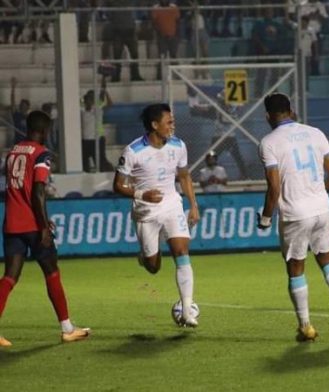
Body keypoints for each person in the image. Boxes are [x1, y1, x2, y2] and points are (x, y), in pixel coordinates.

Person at [257, 93, 329, 342]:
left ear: (268, 116)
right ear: (291, 110)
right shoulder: (316, 133)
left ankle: (306, 326)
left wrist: (266, 218)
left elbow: (274, 188)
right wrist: (318, 193)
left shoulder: (268, 142)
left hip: (295, 212)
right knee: (327, 260)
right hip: (321, 207)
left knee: (296, 269)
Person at [0, 110, 91, 347]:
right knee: (52, 271)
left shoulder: (12, 152)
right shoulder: (41, 154)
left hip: (11, 222)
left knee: (9, 276)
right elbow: (38, 191)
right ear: (45, 131)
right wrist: (43, 226)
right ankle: (67, 328)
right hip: (31, 224)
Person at [112, 103, 201, 326]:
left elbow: (184, 176)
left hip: (172, 205)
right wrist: (141, 193)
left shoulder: (178, 145)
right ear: (154, 125)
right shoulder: (133, 151)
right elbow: (117, 185)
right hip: (146, 212)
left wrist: (193, 204)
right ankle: (145, 258)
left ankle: (187, 309)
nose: (173, 125)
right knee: (153, 267)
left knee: (181, 251)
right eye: (168, 122)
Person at [81, 75, 114, 172]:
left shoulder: (97, 109)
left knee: (100, 162)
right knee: (84, 163)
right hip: (85, 140)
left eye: (91, 99)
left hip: (97, 139)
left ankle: (108, 171)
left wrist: (104, 90)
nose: (89, 101)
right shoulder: (82, 110)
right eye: (88, 99)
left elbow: (109, 103)